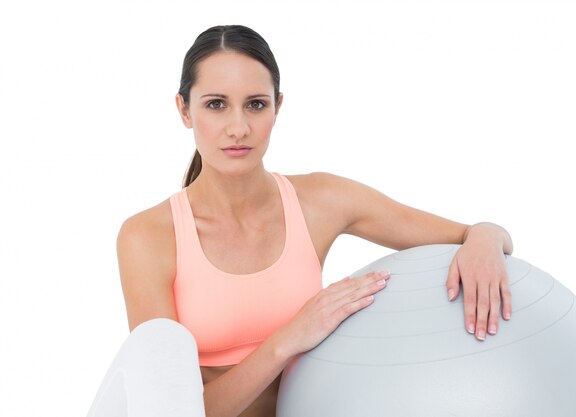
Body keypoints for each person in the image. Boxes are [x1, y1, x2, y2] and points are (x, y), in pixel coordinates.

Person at [87, 24, 513, 417]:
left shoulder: (321, 200)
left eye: (256, 104)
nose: (238, 127)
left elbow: (472, 233)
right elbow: (175, 412)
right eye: (216, 105)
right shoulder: (148, 236)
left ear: (278, 107)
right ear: (184, 110)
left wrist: (485, 241)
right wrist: (290, 338)